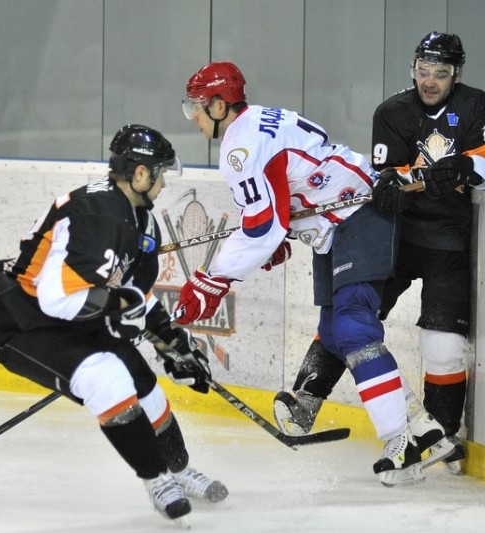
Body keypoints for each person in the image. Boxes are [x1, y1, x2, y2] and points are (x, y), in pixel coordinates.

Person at [177, 61, 455, 487]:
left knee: (353, 325)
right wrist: (278, 230)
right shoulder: (258, 121)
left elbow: (261, 227)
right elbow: (284, 194)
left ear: (219, 105)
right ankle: (426, 429)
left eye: (196, 106)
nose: (192, 116)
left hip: (358, 212)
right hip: (335, 220)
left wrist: (212, 280)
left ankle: (401, 441)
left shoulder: (239, 149)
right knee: (334, 330)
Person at [273, 32, 485, 475]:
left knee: (444, 346)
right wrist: (394, 185)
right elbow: (387, 177)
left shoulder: (475, 103)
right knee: (350, 318)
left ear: (456, 74)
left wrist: (463, 168)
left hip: (449, 240)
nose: (429, 80)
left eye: (440, 73)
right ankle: (306, 400)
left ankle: (441, 435)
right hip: (395, 236)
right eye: (422, 70)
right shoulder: (392, 111)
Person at [0, 124, 228, 525]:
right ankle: (157, 480)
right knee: (108, 378)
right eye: (161, 174)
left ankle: (180, 471)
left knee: (146, 388)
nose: (165, 183)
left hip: (77, 314)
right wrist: (120, 308)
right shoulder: (96, 215)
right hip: (26, 321)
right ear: (140, 173)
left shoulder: (139, 220)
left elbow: (129, 291)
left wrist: (170, 341)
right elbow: (56, 299)